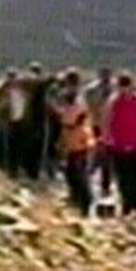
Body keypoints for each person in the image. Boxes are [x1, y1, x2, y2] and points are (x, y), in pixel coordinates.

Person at [103, 72, 136, 216]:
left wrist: (106, 138)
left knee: (126, 176)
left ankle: (130, 205)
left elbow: (106, 121)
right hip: (132, 143)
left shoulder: (114, 100)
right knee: (133, 175)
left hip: (122, 143)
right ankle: (133, 205)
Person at [56, 68, 95, 216]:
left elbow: (74, 118)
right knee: (71, 172)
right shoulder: (70, 96)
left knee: (78, 173)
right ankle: (76, 199)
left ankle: (84, 203)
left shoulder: (76, 97)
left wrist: (61, 114)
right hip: (72, 140)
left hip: (79, 139)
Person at [19, 62, 58, 181]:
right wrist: (52, 77)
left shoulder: (29, 85)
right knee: (36, 146)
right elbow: (43, 83)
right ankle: (32, 172)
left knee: (32, 145)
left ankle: (31, 171)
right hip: (35, 120)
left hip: (31, 119)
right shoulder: (34, 85)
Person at [0, 67, 27, 175]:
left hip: (19, 120)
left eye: (13, 76)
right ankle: (10, 169)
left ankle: (15, 168)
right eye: (10, 76)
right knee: (9, 145)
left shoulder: (20, 91)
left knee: (18, 145)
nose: (12, 79)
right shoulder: (3, 90)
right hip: (8, 121)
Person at [84, 67, 114, 195]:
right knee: (98, 153)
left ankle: (104, 183)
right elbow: (88, 104)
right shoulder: (92, 89)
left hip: (111, 126)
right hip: (97, 124)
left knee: (107, 155)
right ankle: (91, 178)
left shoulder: (115, 88)